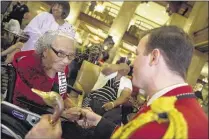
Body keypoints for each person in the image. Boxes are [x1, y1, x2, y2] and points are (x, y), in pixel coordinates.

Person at [25, 26, 209, 139]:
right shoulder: (176, 105)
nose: (132, 62)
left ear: (154, 57)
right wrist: (98, 122)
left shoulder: (167, 122)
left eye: (137, 54)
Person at [12, 30, 76, 110]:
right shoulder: (26, 63)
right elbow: (34, 99)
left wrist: (75, 109)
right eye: (60, 53)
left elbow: (62, 94)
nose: (66, 61)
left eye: (70, 55)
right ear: (45, 51)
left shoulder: (63, 68)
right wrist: (51, 73)